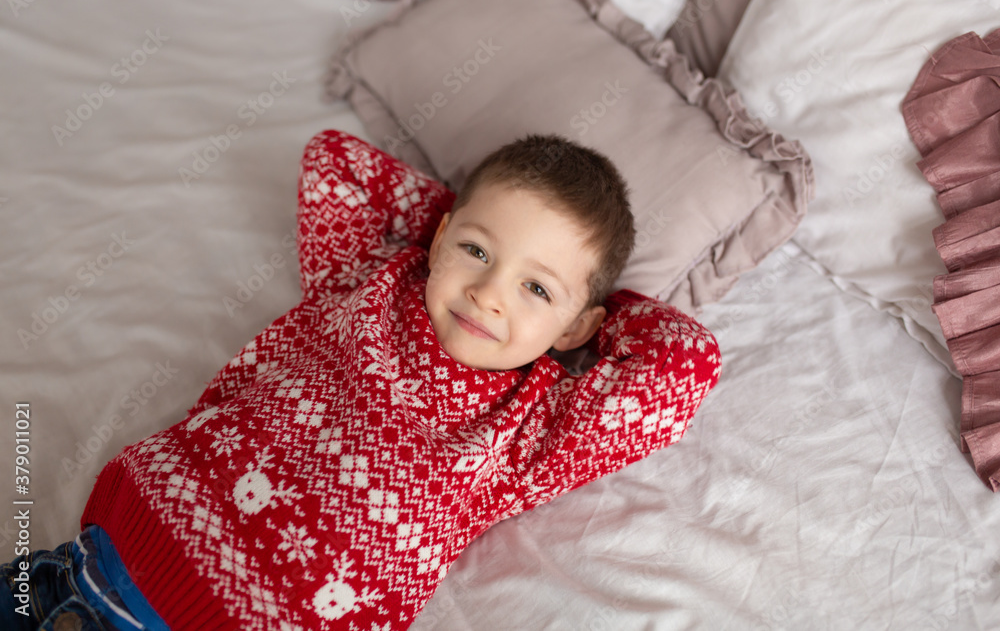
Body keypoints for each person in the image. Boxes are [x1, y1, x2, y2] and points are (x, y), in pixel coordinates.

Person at [1, 129, 721, 630]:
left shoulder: (532, 428)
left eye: (536, 288)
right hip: (98, 558)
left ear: (576, 327)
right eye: (477, 251)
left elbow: (685, 362)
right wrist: (449, 235)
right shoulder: (368, 277)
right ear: (440, 237)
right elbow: (335, 163)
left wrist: (593, 317)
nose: (488, 294)